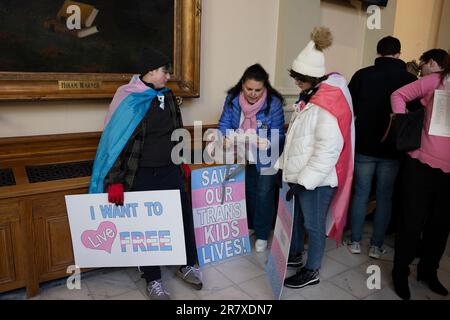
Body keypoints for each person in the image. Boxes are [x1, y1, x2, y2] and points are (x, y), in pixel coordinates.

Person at [89, 48, 201, 300]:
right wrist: (115, 181)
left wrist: (181, 159)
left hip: (169, 170)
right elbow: (114, 143)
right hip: (140, 174)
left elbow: (177, 130)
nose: (168, 76)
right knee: (147, 229)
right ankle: (153, 280)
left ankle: (187, 264)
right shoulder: (127, 97)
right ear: (151, 71)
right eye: (165, 71)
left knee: (182, 217)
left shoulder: (168, 96)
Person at [275, 27, 355, 288]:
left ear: (313, 77)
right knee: (297, 219)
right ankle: (297, 256)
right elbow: (299, 140)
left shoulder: (326, 104)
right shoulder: (311, 97)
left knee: (314, 225)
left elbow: (327, 150)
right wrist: (284, 167)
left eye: (300, 78)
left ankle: (312, 271)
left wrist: (304, 181)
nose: (296, 82)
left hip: (318, 181)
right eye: (295, 76)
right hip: (302, 176)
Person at [344, 36, 418, 259]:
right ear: (398, 54)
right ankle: (376, 246)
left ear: (378, 53)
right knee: (385, 196)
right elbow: (413, 114)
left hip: (365, 146)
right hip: (393, 148)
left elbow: (349, 107)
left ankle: (355, 241)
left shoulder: (362, 74)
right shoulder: (409, 78)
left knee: (360, 194)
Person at [391, 49, 450, 300]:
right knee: (411, 223)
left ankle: (428, 272)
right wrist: (404, 123)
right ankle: (400, 273)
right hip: (421, 165)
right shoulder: (436, 80)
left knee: (440, 227)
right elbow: (398, 95)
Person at [217, 64, 285, 253]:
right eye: (249, 89)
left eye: (258, 90)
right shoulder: (232, 99)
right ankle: (250, 225)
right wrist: (223, 137)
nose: (253, 93)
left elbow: (278, 134)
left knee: (264, 194)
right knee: (247, 191)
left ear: (265, 88)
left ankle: (262, 233)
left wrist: (267, 143)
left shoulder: (274, 103)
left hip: (266, 156)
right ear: (242, 85)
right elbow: (224, 123)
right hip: (241, 155)